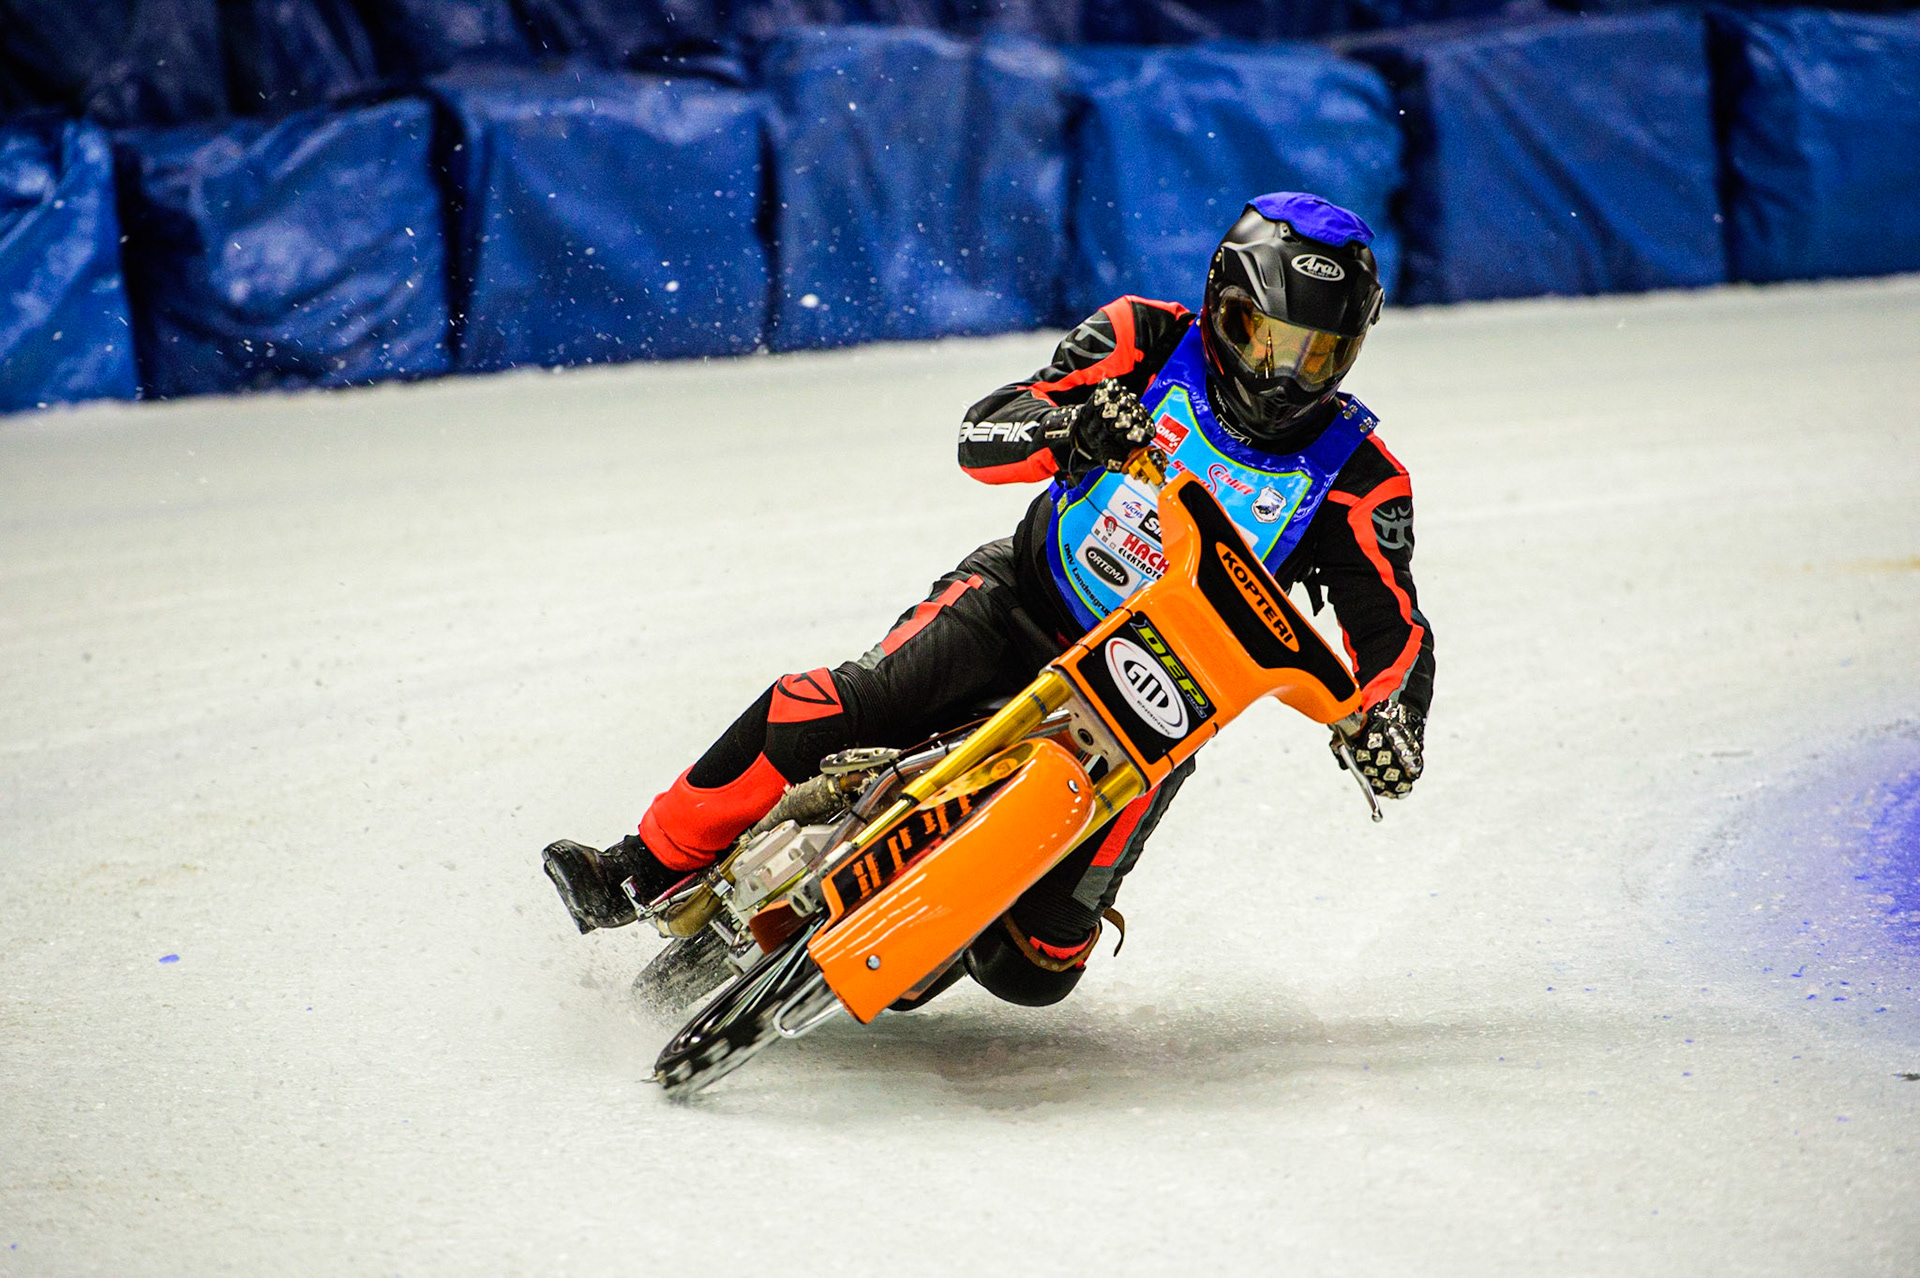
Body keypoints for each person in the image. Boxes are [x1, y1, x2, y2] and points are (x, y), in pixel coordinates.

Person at [543, 191, 1434, 1008]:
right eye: (1262, 336)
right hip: (1017, 603)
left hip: (1157, 705)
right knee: (822, 709)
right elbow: (983, 432)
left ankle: (946, 912)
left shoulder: (1359, 476)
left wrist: (1393, 724)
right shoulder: (1144, 338)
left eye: (1318, 354)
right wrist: (1070, 429)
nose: (1284, 375)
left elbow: (1393, 631)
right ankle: (635, 868)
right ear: (1218, 303)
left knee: (1037, 968)